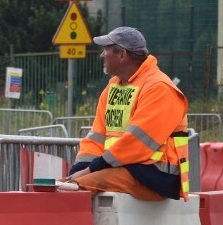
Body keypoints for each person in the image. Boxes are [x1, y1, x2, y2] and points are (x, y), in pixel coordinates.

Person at [64, 27, 190, 201]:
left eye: (106, 49)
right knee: (66, 185)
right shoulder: (113, 87)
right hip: (124, 167)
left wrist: (90, 170)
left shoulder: (159, 88)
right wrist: (78, 169)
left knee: (74, 189)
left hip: (157, 176)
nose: (101, 55)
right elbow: (96, 137)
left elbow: (136, 143)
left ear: (122, 54)